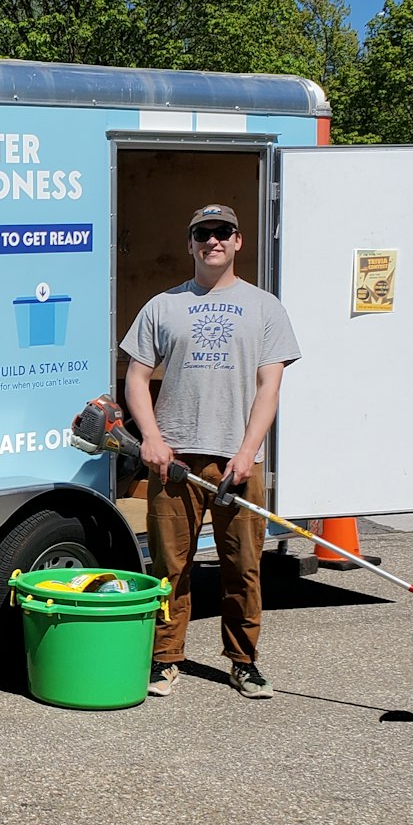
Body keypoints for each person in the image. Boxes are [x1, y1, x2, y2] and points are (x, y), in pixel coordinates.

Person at [121, 203, 301, 700]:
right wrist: (152, 439)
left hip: (238, 461)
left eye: (223, 233)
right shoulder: (163, 305)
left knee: (242, 565)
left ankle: (244, 662)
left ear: (239, 241)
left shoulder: (266, 307)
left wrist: (248, 452)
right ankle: (164, 659)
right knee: (168, 567)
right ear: (191, 244)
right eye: (203, 233)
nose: (213, 241)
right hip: (174, 460)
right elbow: (137, 377)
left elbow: (270, 386)